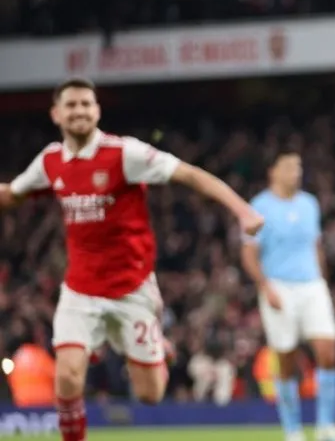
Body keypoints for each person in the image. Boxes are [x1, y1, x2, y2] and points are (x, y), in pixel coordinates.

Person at [0, 77, 263, 441]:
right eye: (72, 105)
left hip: (131, 290)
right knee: (67, 376)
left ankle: (159, 347)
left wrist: (242, 210)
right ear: (56, 114)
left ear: (97, 111)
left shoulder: (125, 154)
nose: (79, 111)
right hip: (81, 291)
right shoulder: (50, 162)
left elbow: (187, 174)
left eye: (86, 104)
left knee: (149, 394)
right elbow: (11, 195)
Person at [242, 151, 335, 441]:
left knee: (328, 351)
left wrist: (322, 281)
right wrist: (265, 287)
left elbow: (315, 246)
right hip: (279, 286)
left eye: (298, 167)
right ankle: (293, 430)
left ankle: (326, 427)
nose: (295, 173)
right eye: (289, 167)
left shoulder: (309, 204)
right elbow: (249, 254)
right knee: (286, 358)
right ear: (272, 171)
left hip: (311, 285)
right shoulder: (259, 207)